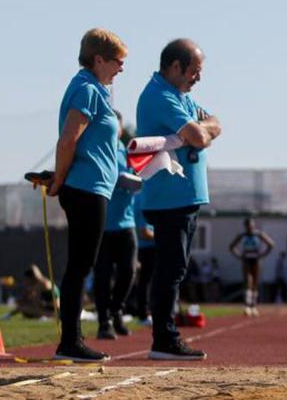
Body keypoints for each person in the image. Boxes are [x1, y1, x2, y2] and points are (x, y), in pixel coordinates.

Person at [137, 38, 222, 360]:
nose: (197, 77)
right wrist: (201, 133)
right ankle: (164, 339)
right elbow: (201, 136)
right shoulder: (160, 96)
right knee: (169, 271)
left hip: (184, 196)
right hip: (169, 196)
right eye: (194, 70)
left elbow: (216, 124)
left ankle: (165, 336)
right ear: (175, 67)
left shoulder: (180, 97)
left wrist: (202, 131)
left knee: (174, 269)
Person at [47, 28, 126, 361]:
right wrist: (59, 179)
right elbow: (68, 139)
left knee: (82, 264)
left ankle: (71, 340)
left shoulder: (94, 89)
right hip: (85, 188)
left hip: (91, 188)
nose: (121, 68)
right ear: (98, 59)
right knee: (80, 266)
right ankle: (71, 342)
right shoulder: (87, 90)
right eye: (117, 61)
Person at [93, 118, 138, 340]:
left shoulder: (127, 151)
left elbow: (140, 174)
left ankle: (117, 309)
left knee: (129, 271)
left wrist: (135, 180)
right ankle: (104, 321)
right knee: (102, 275)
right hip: (103, 224)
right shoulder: (99, 148)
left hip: (126, 222)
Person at [229, 217, 275, 317]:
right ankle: (247, 306)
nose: (249, 228)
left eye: (251, 225)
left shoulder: (258, 234)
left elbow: (271, 244)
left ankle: (253, 306)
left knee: (255, 282)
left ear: (253, 225)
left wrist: (262, 254)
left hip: (256, 260)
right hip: (246, 259)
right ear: (245, 226)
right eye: (248, 226)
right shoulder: (242, 236)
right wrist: (239, 255)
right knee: (248, 281)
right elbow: (232, 246)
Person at [128, 190, 155, 324]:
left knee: (145, 281)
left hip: (146, 246)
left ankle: (144, 311)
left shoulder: (141, 196)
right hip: (147, 247)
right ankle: (144, 313)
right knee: (146, 281)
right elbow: (144, 232)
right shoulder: (143, 198)